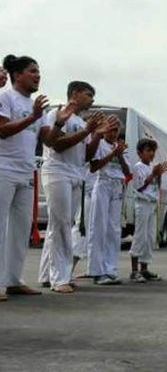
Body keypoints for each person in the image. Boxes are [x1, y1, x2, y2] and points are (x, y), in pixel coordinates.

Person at [0, 55, 75, 300]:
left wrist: (59, 124)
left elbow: (49, 141)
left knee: (20, 229)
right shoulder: (4, 98)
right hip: (4, 168)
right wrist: (32, 117)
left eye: (39, 71)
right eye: (32, 71)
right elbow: (2, 130)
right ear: (17, 75)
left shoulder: (39, 108)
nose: (38, 75)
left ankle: (13, 280)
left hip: (26, 171)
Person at [38, 81, 115, 293]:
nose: (92, 100)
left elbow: (87, 156)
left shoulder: (82, 123)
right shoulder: (55, 114)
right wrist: (87, 131)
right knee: (61, 224)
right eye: (89, 95)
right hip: (57, 170)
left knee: (61, 224)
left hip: (75, 172)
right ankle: (60, 278)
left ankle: (47, 274)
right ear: (75, 94)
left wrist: (97, 135)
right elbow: (56, 144)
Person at [88, 119, 131, 285]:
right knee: (99, 227)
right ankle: (97, 271)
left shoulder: (121, 147)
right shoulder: (99, 144)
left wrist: (119, 155)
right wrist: (112, 154)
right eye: (110, 129)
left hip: (117, 185)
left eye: (116, 130)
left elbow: (127, 172)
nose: (113, 133)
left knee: (114, 229)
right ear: (104, 129)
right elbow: (94, 166)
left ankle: (110, 269)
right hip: (103, 183)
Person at [129, 138, 167, 283]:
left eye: (153, 151)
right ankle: (134, 270)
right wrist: (153, 175)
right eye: (148, 151)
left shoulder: (153, 166)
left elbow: (156, 186)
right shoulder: (138, 167)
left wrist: (159, 175)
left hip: (151, 203)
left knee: (150, 237)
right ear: (140, 153)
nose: (151, 154)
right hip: (142, 203)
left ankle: (144, 268)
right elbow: (139, 186)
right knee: (140, 235)